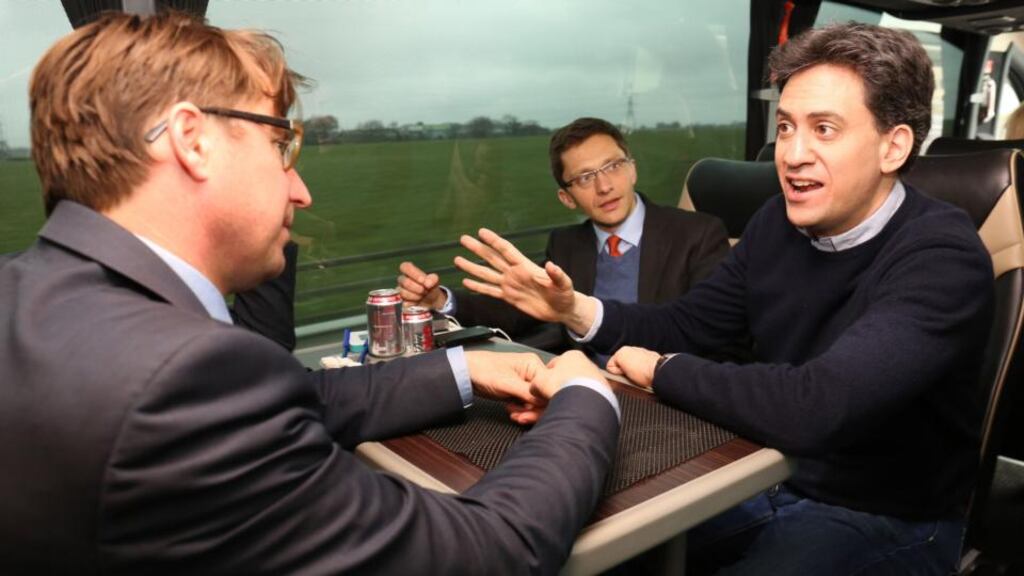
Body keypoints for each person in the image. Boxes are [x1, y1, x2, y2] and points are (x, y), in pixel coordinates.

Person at [0, 12, 622, 575]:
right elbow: (486, 552)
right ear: (192, 141)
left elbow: (296, 398)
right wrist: (586, 399)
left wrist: (465, 367)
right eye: (281, 146)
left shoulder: (33, 293)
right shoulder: (177, 377)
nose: (301, 192)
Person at [453, 22, 995, 574]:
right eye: (785, 128)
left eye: (824, 129)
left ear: (893, 145)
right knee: (579, 550)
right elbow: (689, 323)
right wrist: (573, 310)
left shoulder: (942, 257)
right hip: (772, 470)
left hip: (888, 512)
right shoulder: (775, 225)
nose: (793, 154)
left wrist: (662, 370)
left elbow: (819, 406)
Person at [399, 117, 730, 354]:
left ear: (632, 169)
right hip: (584, 387)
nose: (604, 186)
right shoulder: (567, 244)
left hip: (664, 392)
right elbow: (519, 308)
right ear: (567, 198)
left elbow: (708, 334)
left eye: (613, 166)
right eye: (585, 178)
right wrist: (441, 301)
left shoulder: (698, 234)